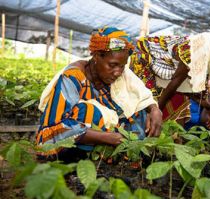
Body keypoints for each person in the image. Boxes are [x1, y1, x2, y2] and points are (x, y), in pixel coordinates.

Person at [36, 26, 162, 161]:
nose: (118, 72)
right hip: (84, 141)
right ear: (96, 56)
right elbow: (48, 133)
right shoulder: (73, 78)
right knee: (87, 112)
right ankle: (82, 158)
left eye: (122, 66)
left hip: (115, 136)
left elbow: (143, 97)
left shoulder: (121, 74)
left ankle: (130, 157)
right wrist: (105, 138)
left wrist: (154, 109)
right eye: (112, 65)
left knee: (141, 112)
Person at [131, 16, 210, 127]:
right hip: (144, 63)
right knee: (147, 109)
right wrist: (156, 112)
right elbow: (174, 84)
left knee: (177, 108)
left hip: (164, 77)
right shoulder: (200, 48)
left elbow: (192, 90)